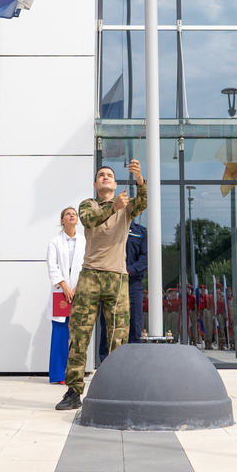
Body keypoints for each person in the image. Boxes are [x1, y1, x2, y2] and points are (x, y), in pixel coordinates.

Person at [56, 160, 146, 411]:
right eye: (101, 175)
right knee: (79, 334)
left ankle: (116, 390)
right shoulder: (88, 205)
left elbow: (144, 200)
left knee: (119, 335)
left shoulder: (127, 208)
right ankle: (74, 390)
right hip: (90, 276)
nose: (105, 177)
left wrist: (139, 179)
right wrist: (112, 207)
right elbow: (90, 220)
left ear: (116, 184)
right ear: (96, 185)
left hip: (117, 277)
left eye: (109, 175)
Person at [98, 213, 146, 360]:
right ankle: (106, 364)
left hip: (132, 285)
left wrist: (128, 270)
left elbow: (145, 258)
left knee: (134, 326)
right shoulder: (109, 230)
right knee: (108, 325)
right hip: (110, 283)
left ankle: (133, 365)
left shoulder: (141, 232)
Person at [46, 206, 85, 384]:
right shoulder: (55, 242)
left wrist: (77, 288)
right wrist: (65, 286)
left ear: (77, 219)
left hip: (79, 292)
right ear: (62, 220)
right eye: (67, 214)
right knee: (61, 334)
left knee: (78, 335)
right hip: (61, 293)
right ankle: (58, 375)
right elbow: (52, 266)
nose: (71, 216)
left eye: (74, 214)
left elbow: (88, 264)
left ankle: (75, 374)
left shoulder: (84, 241)